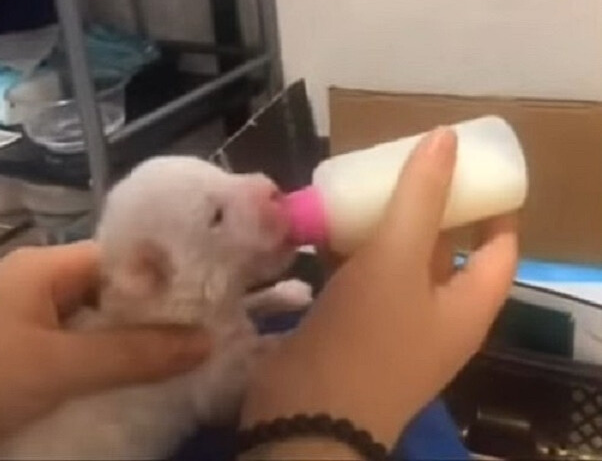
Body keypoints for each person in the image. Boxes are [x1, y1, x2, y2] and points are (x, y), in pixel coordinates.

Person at [0, 128, 518, 459]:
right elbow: (222, 390)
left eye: (223, 178)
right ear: (150, 275)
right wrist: (327, 376)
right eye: (218, 216)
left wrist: (263, 303)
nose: (259, 184)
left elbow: (216, 316)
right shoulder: (158, 357)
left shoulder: (163, 301)